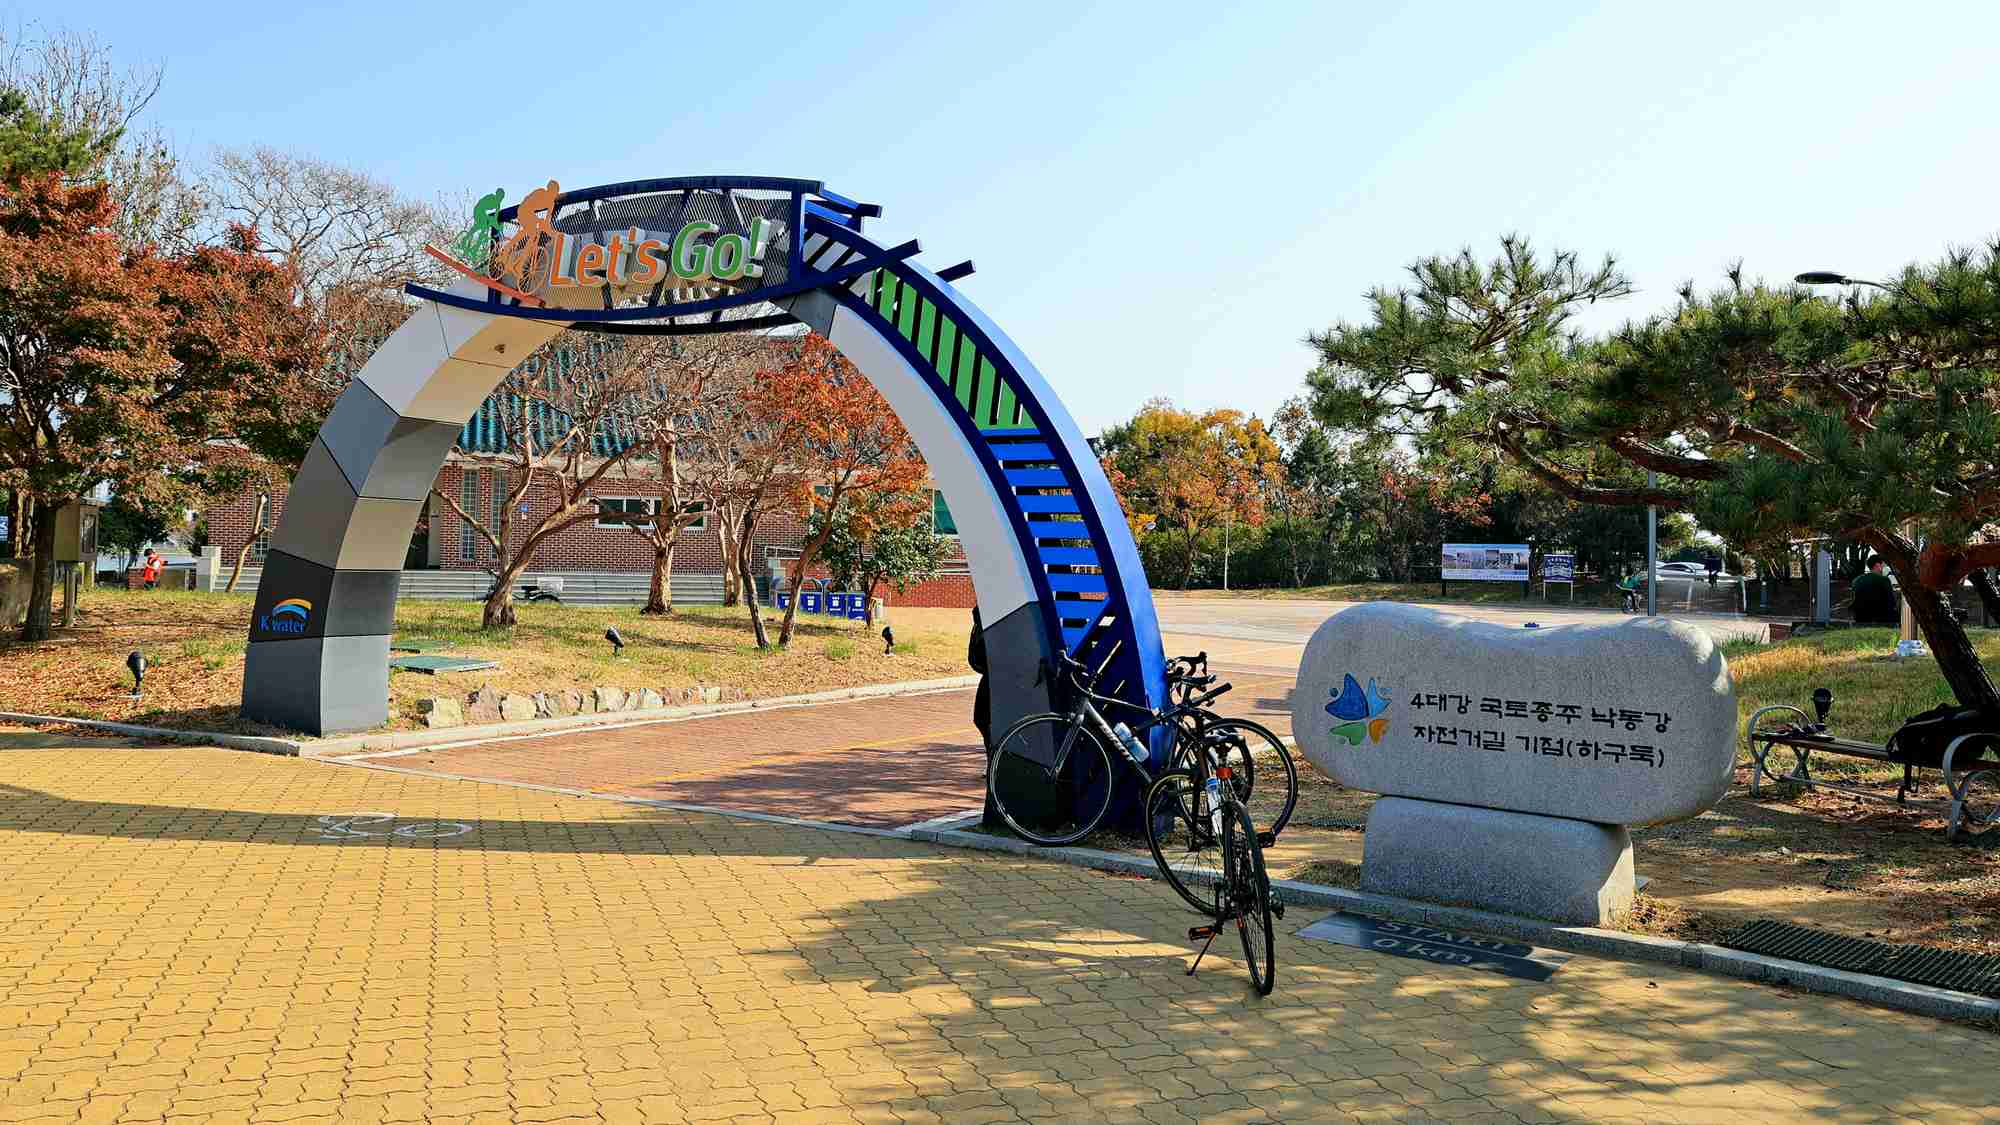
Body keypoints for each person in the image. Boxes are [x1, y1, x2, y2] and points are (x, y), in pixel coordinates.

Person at [1852, 557, 1899, 625]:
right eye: (1883, 565)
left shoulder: (1856, 580)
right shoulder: (1884, 580)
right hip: (1881, 618)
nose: (1884, 567)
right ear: (1878, 565)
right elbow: (1891, 602)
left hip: (1860, 617)